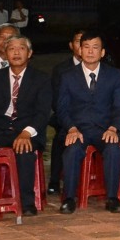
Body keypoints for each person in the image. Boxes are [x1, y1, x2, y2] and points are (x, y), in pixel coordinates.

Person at [0, 34, 50, 217]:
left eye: (21, 48)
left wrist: (26, 133)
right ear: (5, 53)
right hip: (0, 130)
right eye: (11, 49)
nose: (16, 53)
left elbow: (43, 113)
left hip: (28, 131)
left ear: (29, 53)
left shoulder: (41, 79)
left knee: (24, 149)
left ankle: (26, 203)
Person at [57, 30, 120, 213]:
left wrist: (113, 128)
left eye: (95, 47)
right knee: (72, 151)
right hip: (78, 129)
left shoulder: (114, 75)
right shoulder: (67, 76)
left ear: (102, 52)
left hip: (104, 129)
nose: (90, 51)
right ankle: (69, 199)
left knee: (113, 149)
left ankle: (112, 198)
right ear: (79, 50)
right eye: (86, 47)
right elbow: (62, 108)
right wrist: (71, 128)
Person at [47, 29, 86, 196]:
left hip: (89, 118)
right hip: (66, 117)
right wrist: (71, 122)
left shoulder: (100, 69)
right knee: (61, 136)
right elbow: (56, 101)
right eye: (78, 41)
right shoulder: (61, 69)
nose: (82, 46)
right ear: (71, 45)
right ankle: (55, 180)